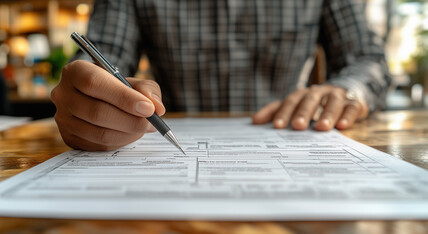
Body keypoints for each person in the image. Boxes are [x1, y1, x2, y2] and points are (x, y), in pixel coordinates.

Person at [51, 0, 391, 151]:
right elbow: (101, 59)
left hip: (292, 136)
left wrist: (348, 90)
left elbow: (367, 58)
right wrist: (89, 95)